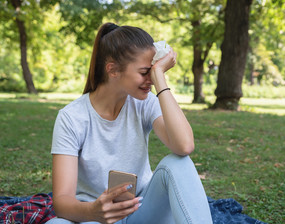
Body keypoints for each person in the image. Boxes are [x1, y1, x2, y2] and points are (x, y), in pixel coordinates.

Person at [47, 23, 213, 224]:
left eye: (153, 72)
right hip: (94, 218)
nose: (150, 80)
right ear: (113, 70)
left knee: (178, 162)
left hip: (142, 212)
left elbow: (184, 145)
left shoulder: (145, 103)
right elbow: (62, 202)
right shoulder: (72, 118)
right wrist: (94, 211)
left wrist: (160, 78)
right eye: (145, 72)